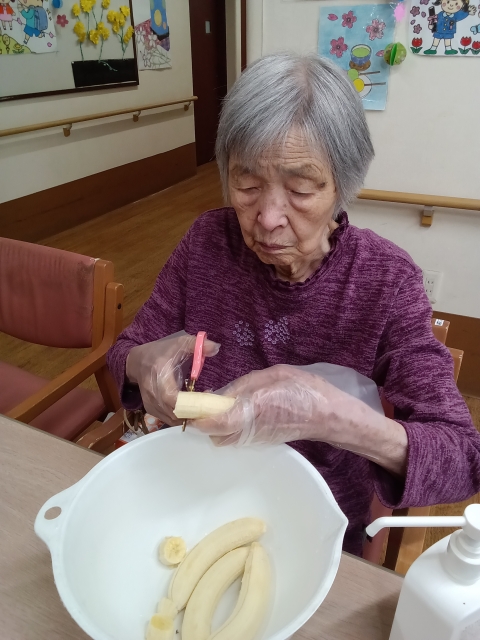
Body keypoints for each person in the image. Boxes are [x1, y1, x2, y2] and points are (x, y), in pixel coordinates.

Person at [107, 52, 480, 556]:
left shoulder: (385, 280)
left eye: (301, 189)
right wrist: (140, 364)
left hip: (311, 525)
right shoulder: (207, 243)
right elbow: (126, 352)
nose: (267, 217)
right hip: (195, 495)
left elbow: (463, 457)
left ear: (342, 186)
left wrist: (331, 417)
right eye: (246, 185)